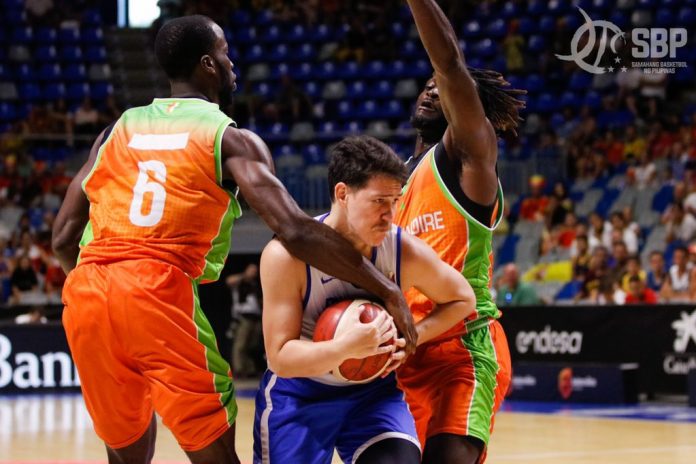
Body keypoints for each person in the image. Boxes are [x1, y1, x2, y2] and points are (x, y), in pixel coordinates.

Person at [52, 15, 416, 464]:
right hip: (156, 287)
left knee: (125, 449)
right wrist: (387, 289)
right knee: (214, 445)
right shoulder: (230, 138)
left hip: (87, 290)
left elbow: (65, 236)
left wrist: (101, 293)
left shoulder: (116, 131)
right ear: (208, 64)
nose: (232, 64)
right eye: (225, 54)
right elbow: (297, 230)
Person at [253, 136, 477, 464]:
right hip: (300, 393)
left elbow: (463, 299)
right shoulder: (286, 257)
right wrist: (347, 347)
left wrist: (412, 336)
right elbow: (280, 357)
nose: (390, 214)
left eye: (395, 201)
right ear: (342, 194)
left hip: (372, 394)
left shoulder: (402, 249)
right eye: (378, 202)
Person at [394, 1, 525, 462]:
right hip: (406, 353)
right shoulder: (395, 183)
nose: (432, 91)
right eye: (425, 87)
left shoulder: (467, 159)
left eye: (441, 91)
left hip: (462, 349)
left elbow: (449, 66)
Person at [227, 262, 263, 378]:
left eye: (255, 271)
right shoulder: (240, 282)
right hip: (243, 317)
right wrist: (244, 275)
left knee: (252, 345)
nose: (254, 273)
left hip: (256, 318)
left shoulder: (255, 285)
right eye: (251, 270)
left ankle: (249, 369)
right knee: (240, 345)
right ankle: (239, 370)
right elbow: (229, 280)